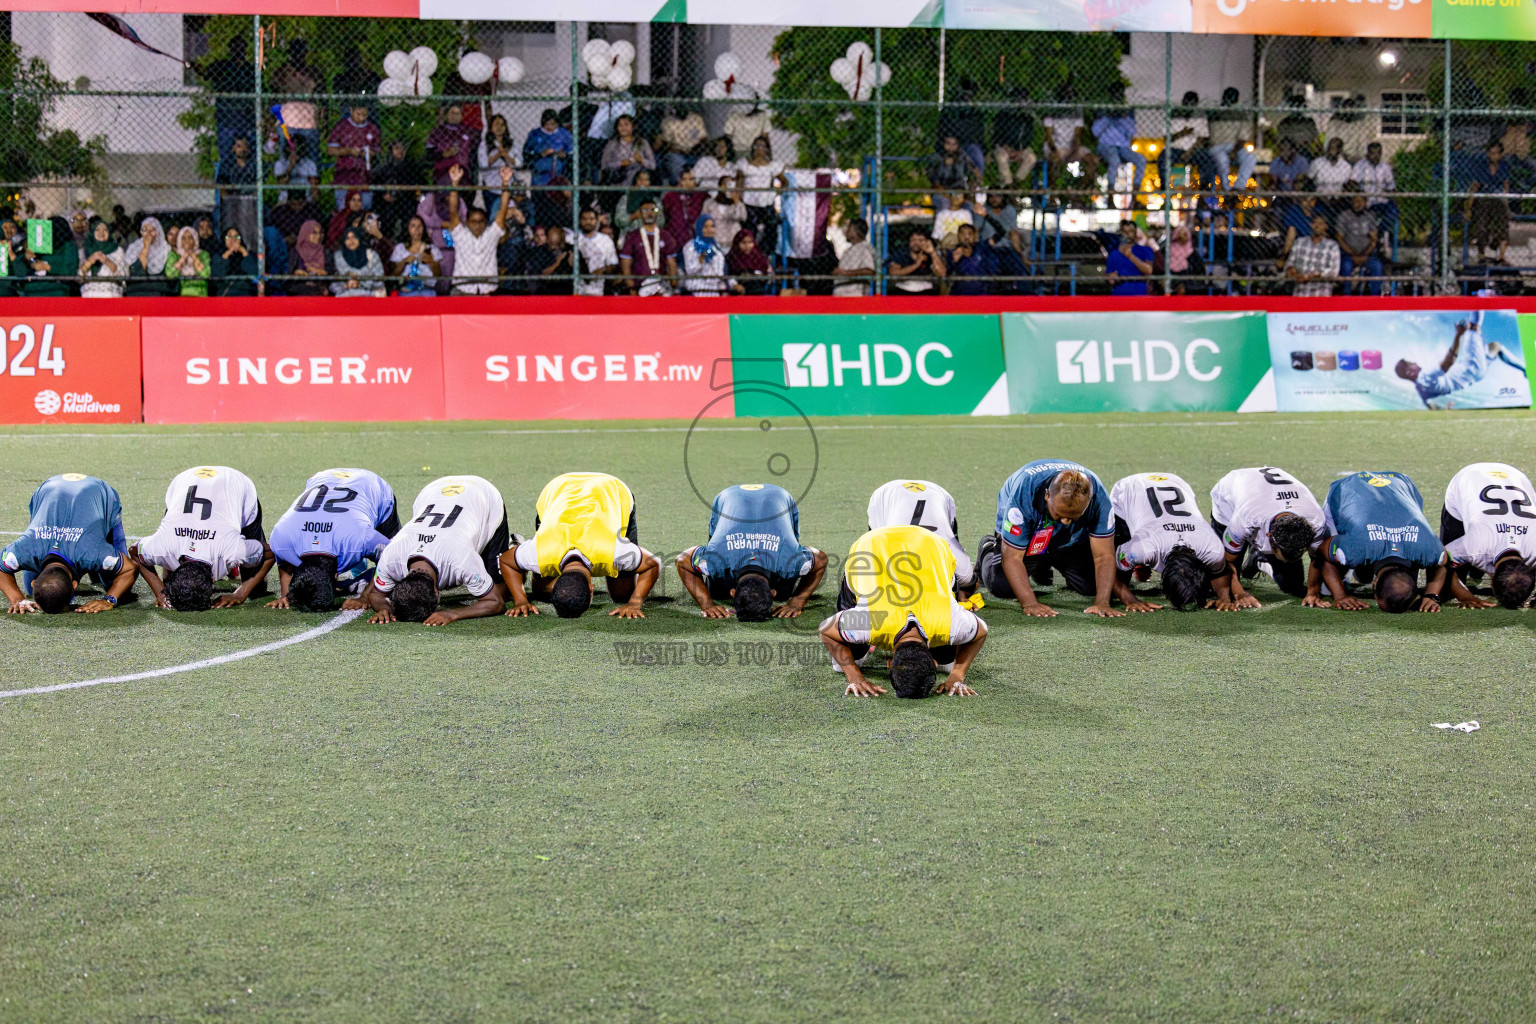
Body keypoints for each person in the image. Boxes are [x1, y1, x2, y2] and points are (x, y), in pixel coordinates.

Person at [820, 525, 988, 698]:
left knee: (949, 663)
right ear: (890, 663)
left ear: (890, 663)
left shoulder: (951, 624)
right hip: (890, 543)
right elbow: (826, 630)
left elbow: (981, 631)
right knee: (842, 666)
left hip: (920, 541)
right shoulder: (871, 623)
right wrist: (854, 676)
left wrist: (957, 674)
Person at [502, 472, 660, 620]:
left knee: (623, 596)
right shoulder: (540, 553)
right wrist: (520, 600)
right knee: (540, 592)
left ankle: (521, 552)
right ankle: (519, 548)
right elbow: (505, 561)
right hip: (559, 490)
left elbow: (653, 563)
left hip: (611, 489)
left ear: (591, 588)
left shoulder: (615, 551)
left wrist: (634, 603)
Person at [976, 460, 1122, 618]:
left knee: (1094, 586)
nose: (1065, 521)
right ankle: (988, 548)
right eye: (1059, 514)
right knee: (1002, 587)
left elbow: (1104, 555)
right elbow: (1012, 557)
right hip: (1027, 539)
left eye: (1073, 517)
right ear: (1047, 495)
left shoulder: (1099, 496)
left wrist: (1102, 602)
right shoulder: (1024, 491)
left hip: (1069, 542)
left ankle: (1044, 562)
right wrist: (1030, 603)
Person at [361, 475, 512, 625]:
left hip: (482, 495)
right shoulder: (391, 556)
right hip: (432, 491)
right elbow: (376, 594)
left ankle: (513, 551)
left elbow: (496, 602)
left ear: (437, 592)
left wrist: (452, 614)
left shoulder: (460, 560)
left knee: (502, 591)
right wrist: (384, 608)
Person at [130, 466, 274, 612]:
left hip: (235, 483)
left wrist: (241, 594)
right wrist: (161, 593)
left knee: (257, 591)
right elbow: (134, 551)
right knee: (171, 587)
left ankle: (236, 568)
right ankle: (232, 569)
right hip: (186, 481)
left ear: (212, 580)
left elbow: (270, 553)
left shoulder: (231, 551)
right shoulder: (162, 547)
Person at [676, 483, 827, 620]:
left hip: (777, 497)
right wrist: (707, 604)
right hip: (732, 497)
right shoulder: (715, 560)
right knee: (715, 587)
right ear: (773, 593)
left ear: (733, 593)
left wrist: (797, 602)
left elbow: (683, 560)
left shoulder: (790, 562)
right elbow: (820, 559)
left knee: (716, 586)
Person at [1310, 471, 1447, 614]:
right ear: (1374, 585)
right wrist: (1339, 596)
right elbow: (1321, 553)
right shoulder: (1355, 548)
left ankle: (1363, 569)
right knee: (1328, 585)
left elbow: (1442, 563)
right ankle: (1360, 569)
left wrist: (1431, 595)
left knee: (1399, 586)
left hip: (1400, 483)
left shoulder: (1428, 550)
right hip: (1349, 487)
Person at [0, 473, 135, 615]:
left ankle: (95, 567)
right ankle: (93, 568)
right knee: (31, 589)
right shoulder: (26, 549)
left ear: (75, 585)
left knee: (114, 585)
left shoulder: (92, 552)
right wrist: (16, 599)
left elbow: (129, 569)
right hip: (49, 490)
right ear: (74, 585)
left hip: (98, 492)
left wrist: (109, 599)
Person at [267, 468, 398, 612]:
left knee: (398, 578)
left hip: (371, 485)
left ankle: (363, 565)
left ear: (336, 576)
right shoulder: (281, 539)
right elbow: (285, 562)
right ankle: (361, 568)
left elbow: (392, 556)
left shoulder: (360, 538)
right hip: (324, 478)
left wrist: (366, 596)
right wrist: (287, 596)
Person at [1108, 472, 1237, 613]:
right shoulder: (1140, 550)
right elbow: (1108, 567)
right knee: (1112, 584)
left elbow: (1219, 572)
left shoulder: (1212, 550)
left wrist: (1224, 598)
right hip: (1129, 489)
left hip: (1176, 482)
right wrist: (1130, 600)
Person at [1209, 466, 1326, 605]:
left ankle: (1258, 559)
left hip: (1268, 500)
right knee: (1220, 583)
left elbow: (1317, 558)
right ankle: (1257, 551)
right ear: (1269, 536)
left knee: (1293, 586)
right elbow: (1226, 560)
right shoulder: (1246, 518)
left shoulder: (1315, 521)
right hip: (1230, 495)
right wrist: (1239, 594)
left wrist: (1313, 592)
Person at [1437, 462, 1536, 609]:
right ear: (1491, 579)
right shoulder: (1475, 545)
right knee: (1445, 589)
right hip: (1468, 478)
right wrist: (1464, 594)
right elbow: (1440, 560)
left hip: (1515, 476)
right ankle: (1474, 569)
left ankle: (1476, 569)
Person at [866, 478, 976, 595]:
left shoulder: (963, 573)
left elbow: (970, 582)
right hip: (887, 495)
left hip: (937, 494)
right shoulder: (963, 573)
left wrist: (962, 592)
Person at [1395, 318, 1500, 406]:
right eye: (1411, 363)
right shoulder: (1425, 376)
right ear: (1409, 372)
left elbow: (1429, 405)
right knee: (1475, 326)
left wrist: (1445, 410)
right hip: (1471, 369)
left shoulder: (1420, 389)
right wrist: (1458, 335)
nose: (1415, 362)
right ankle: (1479, 300)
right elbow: (1448, 363)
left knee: (1495, 346)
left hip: (1472, 375)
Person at [444, 164, 515, 295]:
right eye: (473, 221)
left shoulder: (491, 235)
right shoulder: (460, 235)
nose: (478, 224)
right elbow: (453, 210)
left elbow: (503, 208)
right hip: (462, 290)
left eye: (481, 221)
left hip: (485, 291)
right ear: (467, 223)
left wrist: (505, 183)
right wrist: (454, 184)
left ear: (486, 222)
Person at [618, 194, 677, 296]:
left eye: (652, 210)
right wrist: (630, 285)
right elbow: (626, 262)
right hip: (641, 285)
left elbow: (671, 261)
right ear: (640, 213)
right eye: (645, 210)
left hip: (661, 283)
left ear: (657, 214)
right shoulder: (633, 236)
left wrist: (673, 282)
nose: (649, 213)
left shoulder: (665, 236)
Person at [737, 135, 785, 254]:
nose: (759, 148)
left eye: (762, 146)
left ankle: (766, 256)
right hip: (749, 204)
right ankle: (749, 255)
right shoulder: (745, 165)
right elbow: (739, 183)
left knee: (771, 229)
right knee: (749, 231)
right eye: (757, 145)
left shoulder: (771, 166)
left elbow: (784, 182)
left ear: (767, 149)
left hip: (766, 204)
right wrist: (739, 197)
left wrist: (775, 194)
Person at [327, 103, 380, 208]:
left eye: (364, 114)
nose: (361, 117)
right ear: (351, 110)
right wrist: (348, 151)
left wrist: (368, 152)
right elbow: (331, 150)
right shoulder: (341, 127)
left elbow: (378, 150)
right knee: (343, 209)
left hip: (364, 178)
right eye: (358, 114)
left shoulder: (372, 128)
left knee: (365, 209)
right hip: (344, 177)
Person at [1092, 99, 1145, 204]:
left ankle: (1134, 197)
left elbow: (1132, 132)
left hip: (1123, 147)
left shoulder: (1126, 114)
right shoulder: (1104, 112)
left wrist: (1121, 119)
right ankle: (1110, 195)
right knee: (1114, 159)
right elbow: (1095, 132)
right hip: (1106, 145)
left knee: (1141, 160)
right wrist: (1109, 118)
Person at [1466, 139, 1511, 264]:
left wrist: (1507, 206)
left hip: (1497, 199)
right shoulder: (1482, 167)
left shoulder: (1504, 168)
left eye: (1496, 153)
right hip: (1484, 198)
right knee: (1482, 223)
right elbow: (1474, 188)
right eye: (1491, 153)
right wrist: (1468, 209)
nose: (1493, 156)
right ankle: (1481, 255)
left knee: (1502, 222)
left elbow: (1506, 187)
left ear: (1501, 154)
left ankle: (1501, 256)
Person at [1161, 91, 1215, 189]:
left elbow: (1202, 138)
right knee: (1163, 159)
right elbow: (1166, 138)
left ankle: (1203, 190)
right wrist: (1182, 133)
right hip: (1174, 149)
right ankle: (1165, 188)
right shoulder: (1173, 115)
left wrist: (1190, 152)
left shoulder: (1200, 117)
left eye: (1192, 104)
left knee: (1208, 160)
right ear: (1183, 102)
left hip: (1193, 149)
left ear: (1196, 104)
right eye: (1187, 103)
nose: (1189, 106)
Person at [1335, 187, 1383, 294]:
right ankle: (1346, 297)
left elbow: (1374, 239)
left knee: (1377, 266)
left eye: (1362, 201)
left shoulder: (1370, 216)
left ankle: (1374, 299)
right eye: (1356, 200)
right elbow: (1340, 238)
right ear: (1352, 201)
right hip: (1348, 253)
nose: (1359, 203)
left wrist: (1365, 255)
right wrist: (1353, 254)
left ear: (1365, 203)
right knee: (1346, 266)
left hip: (1367, 254)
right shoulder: (1344, 216)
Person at [1207, 87, 1256, 192]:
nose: (1230, 100)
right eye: (1228, 97)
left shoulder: (1240, 114)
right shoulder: (1215, 114)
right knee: (1222, 159)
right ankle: (1227, 188)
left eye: (1233, 98)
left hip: (1234, 146)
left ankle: (1239, 186)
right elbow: (1212, 137)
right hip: (1217, 146)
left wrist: (1234, 151)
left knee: (1251, 157)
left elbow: (1243, 138)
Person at [679, 215, 741, 296]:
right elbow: (690, 270)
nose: (709, 230)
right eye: (705, 227)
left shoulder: (716, 247)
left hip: (714, 289)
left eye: (712, 226)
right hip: (696, 289)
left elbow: (722, 272)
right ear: (699, 227)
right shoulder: (691, 246)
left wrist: (733, 284)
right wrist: (701, 259)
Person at [1352, 141, 1398, 249]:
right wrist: (1360, 194)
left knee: (1393, 212)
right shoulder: (1360, 165)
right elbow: (1352, 183)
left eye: (1378, 153)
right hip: (1366, 202)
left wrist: (1390, 193)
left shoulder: (1385, 167)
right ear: (1367, 154)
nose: (1375, 156)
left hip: (1381, 201)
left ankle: (1379, 234)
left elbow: (1391, 187)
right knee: (1366, 217)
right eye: (1372, 153)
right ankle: (1376, 238)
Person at [214, 135, 259, 244]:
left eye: (245, 147)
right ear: (233, 148)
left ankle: (248, 246)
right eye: (238, 146)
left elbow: (256, 188)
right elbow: (222, 187)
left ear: (248, 149)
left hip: (249, 201)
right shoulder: (227, 165)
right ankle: (229, 246)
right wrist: (229, 201)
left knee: (249, 227)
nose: (242, 150)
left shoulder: (253, 165)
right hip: (231, 201)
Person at [20, 216, 78, 297]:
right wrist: (31, 259)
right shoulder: (43, 244)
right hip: (38, 283)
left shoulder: (69, 247)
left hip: (58, 285)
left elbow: (70, 272)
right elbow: (35, 262)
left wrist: (47, 267)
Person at [1284, 213, 1340, 297]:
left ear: (1325, 227)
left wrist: (1312, 276)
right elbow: (1289, 263)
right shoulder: (1299, 242)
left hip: (1321, 294)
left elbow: (1334, 272)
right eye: (1314, 223)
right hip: (1300, 292)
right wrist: (1290, 270)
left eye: (1320, 224)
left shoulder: (1332, 246)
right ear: (1310, 225)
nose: (1317, 226)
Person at [992, 91, 1039, 188]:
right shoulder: (1002, 115)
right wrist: (1006, 147)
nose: (1019, 102)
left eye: (1022, 99)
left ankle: (1016, 181)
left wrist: (1020, 150)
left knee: (1031, 157)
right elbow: (996, 135)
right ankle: (1008, 184)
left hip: (1020, 149)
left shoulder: (1027, 118)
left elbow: (1028, 137)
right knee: (1002, 158)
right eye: (1017, 99)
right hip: (1003, 147)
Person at [390, 214, 443, 298]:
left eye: (420, 226)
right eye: (413, 226)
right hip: (406, 290)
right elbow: (395, 274)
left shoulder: (432, 249)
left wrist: (431, 262)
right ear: (407, 228)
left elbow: (438, 275)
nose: (417, 229)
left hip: (427, 290)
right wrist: (404, 261)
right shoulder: (400, 248)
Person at [427, 104, 477, 188]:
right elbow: (428, 155)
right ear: (447, 115)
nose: (454, 116)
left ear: (461, 116)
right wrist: (444, 154)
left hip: (463, 173)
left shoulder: (469, 131)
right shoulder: (437, 132)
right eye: (452, 113)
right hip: (442, 172)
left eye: (457, 113)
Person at [476, 114, 518, 214]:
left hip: (509, 186)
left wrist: (506, 155)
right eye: (496, 124)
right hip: (491, 188)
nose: (499, 127)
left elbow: (518, 163)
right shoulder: (484, 144)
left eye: (502, 125)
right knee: (494, 217)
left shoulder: (512, 144)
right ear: (491, 127)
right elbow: (483, 165)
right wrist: (498, 154)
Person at [600, 114, 657, 187]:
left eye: (626, 125)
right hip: (619, 179)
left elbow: (653, 165)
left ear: (633, 127)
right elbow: (604, 165)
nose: (623, 128)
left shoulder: (642, 142)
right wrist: (620, 163)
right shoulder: (612, 143)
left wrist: (641, 161)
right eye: (620, 125)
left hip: (638, 180)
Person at [123, 216, 172, 297]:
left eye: (152, 230)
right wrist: (145, 247)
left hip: (158, 290)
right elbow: (135, 272)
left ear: (158, 231)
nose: (148, 233)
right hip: (136, 290)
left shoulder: (165, 248)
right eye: (145, 230)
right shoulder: (134, 247)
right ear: (141, 232)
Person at [523, 109, 573, 188]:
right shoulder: (535, 134)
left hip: (559, 170)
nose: (550, 127)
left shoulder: (564, 133)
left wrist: (564, 154)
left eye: (553, 124)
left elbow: (571, 151)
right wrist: (540, 154)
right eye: (547, 124)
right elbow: (527, 152)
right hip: (539, 170)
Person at [573, 208, 618, 297]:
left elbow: (613, 264)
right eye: (584, 219)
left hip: (599, 290)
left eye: (591, 219)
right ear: (579, 221)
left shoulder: (605, 240)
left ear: (597, 220)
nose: (588, 222)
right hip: (576, 289)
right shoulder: (573, 239)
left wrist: (602, 270)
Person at [78, 217, 126, 298]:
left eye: (105, 230)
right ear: (92, 232)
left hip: (111, 293)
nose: (101, 232)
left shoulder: (117, 250)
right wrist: (90, 261)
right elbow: (79, 277)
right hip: (90, 293)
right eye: (98, 229)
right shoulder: (85, 250)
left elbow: (123, 276)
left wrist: (106, 261)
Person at [1103, 218, 1153, 295]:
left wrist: (1130, 256)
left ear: (1135, 233)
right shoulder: (1113, 254)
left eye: (1130, 231)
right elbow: (1110, 278)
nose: (1128, 234)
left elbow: (1148, 271)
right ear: (1121, 233)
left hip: (1139, 292)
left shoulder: (1145, 250)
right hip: (1119, 292)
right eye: (1125, 232)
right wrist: (1109, 277)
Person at [659, 107, 708, 185]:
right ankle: (679, 187)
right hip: (677, 153)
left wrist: (695, 149)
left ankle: (697, 187)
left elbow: (703, 138)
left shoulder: (696, 118)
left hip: (694, 152)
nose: (682, 106)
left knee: (704, 162)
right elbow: (667, 143)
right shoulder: (668, 121)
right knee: (674, 161)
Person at [332, 226, 384, 297]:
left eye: (354, 237)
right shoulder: (338, 256)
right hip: (347, 290)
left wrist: (360, 282)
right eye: (347, 238)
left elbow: (379, 277)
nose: (351, 241)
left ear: (359, 238)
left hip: (369, 289)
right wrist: (353, 280)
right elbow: (342, 276)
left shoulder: (372, 255)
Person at [924, 135, 981, 200]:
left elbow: (976, 172)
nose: (951, 148)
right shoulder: (936, 157)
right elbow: (934, 181)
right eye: (948, 144)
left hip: (959, 190)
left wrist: (974, 184)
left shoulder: (962, 156)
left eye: (954, 144)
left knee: (969, 204)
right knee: (943, 203)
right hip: (941, 191)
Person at [702, 174, 746, 255]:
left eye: (730, 184)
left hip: (732, 242)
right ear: (719, 186)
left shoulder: (738, 204)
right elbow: (703, 221)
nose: (727, 187)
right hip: (714, 241)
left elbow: (742, 217)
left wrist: (736, 202)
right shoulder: (709, 203)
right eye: (725, 184)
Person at [832, 217, 876, 297]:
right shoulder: (850, 250)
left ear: (856, 231)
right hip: (842, 294)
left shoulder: (864, 249)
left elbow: (869, 271)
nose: (846, 232)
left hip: (854, 295)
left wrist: (846, 273)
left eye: (849, 228)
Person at [526, 224, 574, 296]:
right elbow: (542, 275)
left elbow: (585, 276)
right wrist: (557, 263)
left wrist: (574, 265)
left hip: (566, 288)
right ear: (548, 240)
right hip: (545, 289)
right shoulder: (538, 252)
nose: (555, 248)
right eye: (552, 245)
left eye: (558, 245)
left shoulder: (570, 250)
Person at [210, 225, 258, 296]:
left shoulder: (247, 255)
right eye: (229, 236)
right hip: (226, 295)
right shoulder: (218, 256)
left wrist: (243, 251)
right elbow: (216, 276)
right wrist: (228, 253)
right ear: (224, 239)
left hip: (245, 295)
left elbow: (255, 274)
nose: (233, 239)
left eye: (237, 236)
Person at [945, 222, 990, 296]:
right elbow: (947, 276)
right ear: (958, 236)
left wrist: (986, 216)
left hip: (981, 294)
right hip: (960, 295)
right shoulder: (952, 252)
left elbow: (1000, 233)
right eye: (962, 234)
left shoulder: (981, 248)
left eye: (969, 234)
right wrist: (954, 261)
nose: (966, 237)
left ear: (974, 236)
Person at [286, 219, 329, 296]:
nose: (318, 236)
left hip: (320, 289)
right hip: (299, 290)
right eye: (314, 233)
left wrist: (319, 271)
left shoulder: (325, 252)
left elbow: (329, 271)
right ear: (306, 233)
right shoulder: (295, 251)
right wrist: (296, 272)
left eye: (320, 233)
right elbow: (289, 272)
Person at [166, 226, 211, 297]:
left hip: (200, 294)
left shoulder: (203, 254)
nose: (187, 240)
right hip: (182, 295)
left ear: (195, 239)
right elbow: (170, 274)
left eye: (190, 237)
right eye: (183, 238)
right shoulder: (175, 255)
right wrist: (184, 257)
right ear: (180, 240)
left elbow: (205, 274)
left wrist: (193, 255)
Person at [726, 228, 772, 295]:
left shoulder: (760, 257)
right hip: (738, 292)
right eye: (743, 242)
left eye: (750, 242)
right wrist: (735, 285)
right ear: (737, 243)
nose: (747, 246)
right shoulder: (732, 257)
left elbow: (769, 275)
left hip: (758, 292)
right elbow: (728, 275)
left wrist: (761, 277)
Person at [663, 168, 707, 238]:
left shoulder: (701, 196)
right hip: (674, 234)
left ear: (695, 182)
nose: (687, 183)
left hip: (695, 235)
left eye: (691, 179)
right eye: (684, 180)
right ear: (680, 181)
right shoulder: (670, 196)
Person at [1309, 137, 1354, 201]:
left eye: (1333, 148)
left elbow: (1347, 185)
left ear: (1339, 150)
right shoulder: (1317, 163)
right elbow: (1309, 179)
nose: (1330, 151)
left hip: (1338, 199)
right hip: (1319, 198)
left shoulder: (1346, 166)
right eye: (1329, 148)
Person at [1275, 94, 1320, 158]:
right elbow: (1280, 144)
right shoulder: (1284, 124)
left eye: (1299, 106)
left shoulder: (1309, 123)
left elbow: (1317, 142)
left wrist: (1312, 149)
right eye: (1295, 106)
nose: (1297, 109)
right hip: (1289, 153)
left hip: (1306, 152)